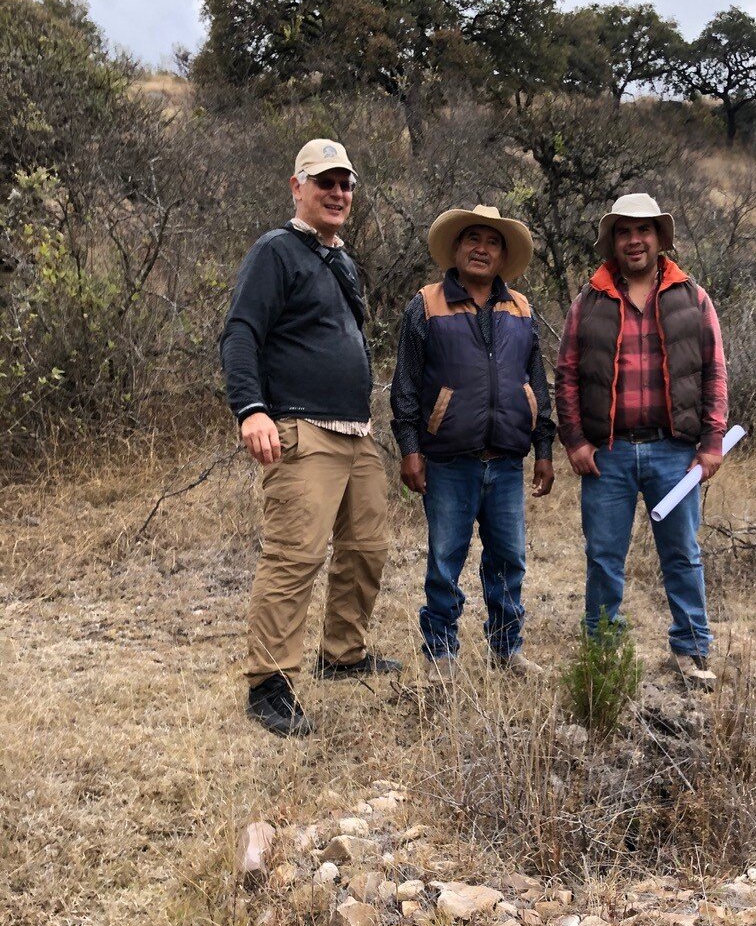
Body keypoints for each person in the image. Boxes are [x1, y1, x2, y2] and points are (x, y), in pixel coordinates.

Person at [221, 138, 400, 737]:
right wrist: (252, 409)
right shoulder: (275, 251)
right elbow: (241, 332)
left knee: (367, 547)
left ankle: (343, 655)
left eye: (346, 183)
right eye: (325, 182)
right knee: (295, 556)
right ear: (296, 187)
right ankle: (269, 683)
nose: (338, 193)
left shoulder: (340, 260)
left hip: (356, 433)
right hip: (301, 429)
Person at [555, 193, 728, 686]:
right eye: (625, 231)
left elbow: (715, 371)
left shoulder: (692, 297)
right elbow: (566, 374)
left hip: (673, 451)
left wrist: (711, 442)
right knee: (604, 556)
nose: (634, 240)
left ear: (659, 238)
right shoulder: (588, 301)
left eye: (644, 230)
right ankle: (603, 656)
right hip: (606, 453)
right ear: (614, 240)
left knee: (682, 554)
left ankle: (691, 651)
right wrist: (574, 441)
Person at [390, 205, 556, 680]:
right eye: (472, 239)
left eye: (492, 242)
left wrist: (543, 450)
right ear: (457, 249)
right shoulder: (426, 305)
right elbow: (406, 384)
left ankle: (507, 650)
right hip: (447, 462)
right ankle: (441, 653)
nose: (481, 249)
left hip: (506, 462)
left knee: (509, 561)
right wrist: (409, 448)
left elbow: (536, 385)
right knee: (445, 561)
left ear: (504, 255)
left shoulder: (521, 310)